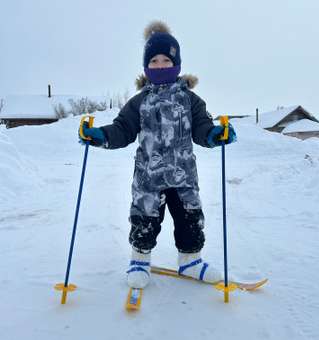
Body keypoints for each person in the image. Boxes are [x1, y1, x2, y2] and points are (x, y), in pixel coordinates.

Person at [79, 21, 236, 289]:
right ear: (145, 66)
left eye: (166, 59)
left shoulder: (190, 100)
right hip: (149, 180)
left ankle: (191, 261)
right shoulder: (139, 102)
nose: (161, 65)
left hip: (183, 176)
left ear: (177, 64)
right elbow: (123, 129)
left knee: (190, 219)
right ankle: (139, 260)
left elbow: (202, 127)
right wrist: (101, 136)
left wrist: (214, 135)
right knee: (145, 220)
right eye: (154, 60)